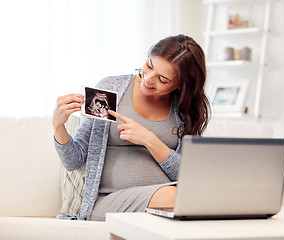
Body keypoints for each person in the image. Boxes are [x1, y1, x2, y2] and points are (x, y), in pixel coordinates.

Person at [53, 34, 210, 221]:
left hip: (166, 206)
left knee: (191, 198)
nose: (149, 79)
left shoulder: (184, 111)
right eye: (149, 66)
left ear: (180, 86)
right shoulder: (111, 90)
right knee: (178, 198)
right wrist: (58, 125)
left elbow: (185, 175)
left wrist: (149, 140)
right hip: (110, 202)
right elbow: (74, 161)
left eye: (163, 79)